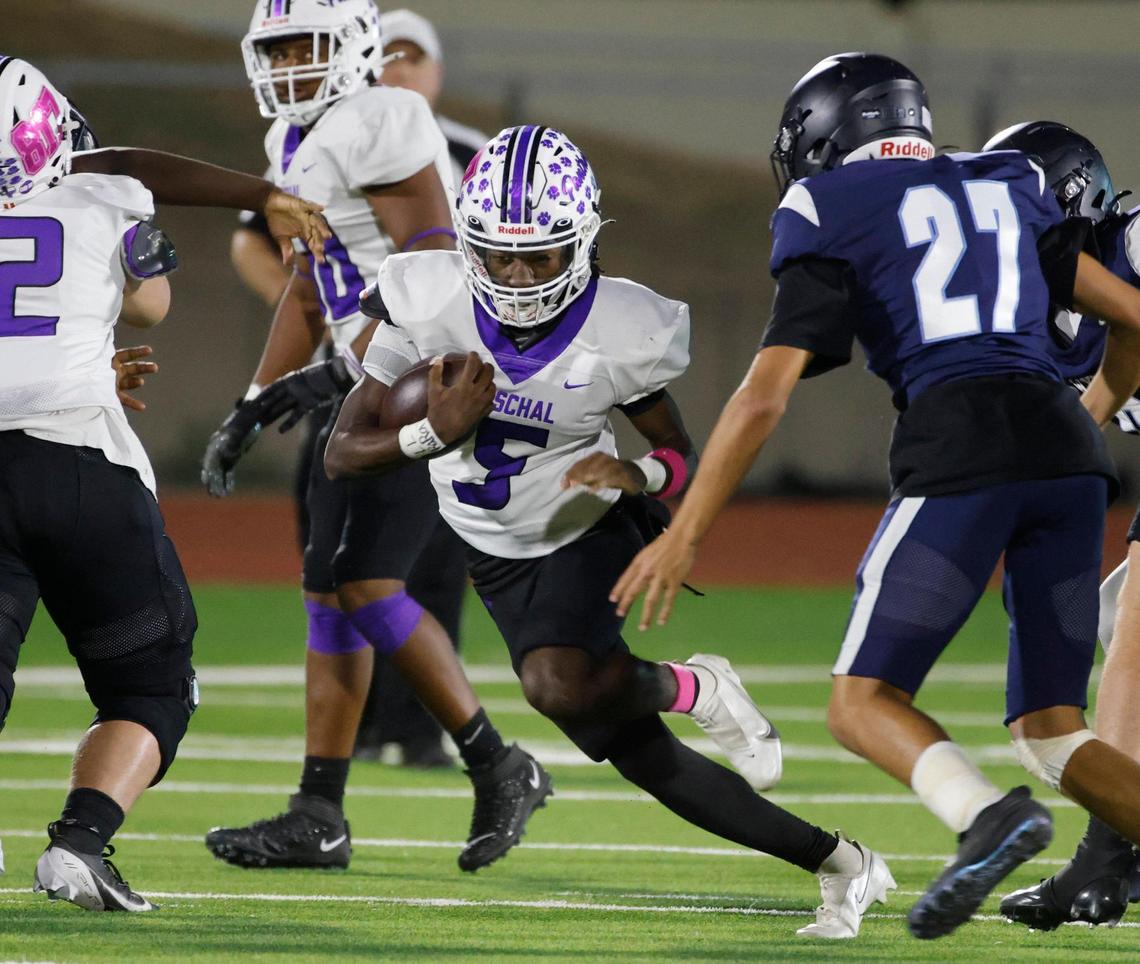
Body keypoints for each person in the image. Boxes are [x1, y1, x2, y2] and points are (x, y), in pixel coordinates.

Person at [310, 123, 894, 941]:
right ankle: (842, 863)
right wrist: (431, 435)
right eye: (499, 255)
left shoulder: (624, 327)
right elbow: (344, 452)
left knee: (555, 683)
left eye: (539, 256)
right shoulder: (424, 297)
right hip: (495, 547)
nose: (516, 276)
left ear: (581, 243)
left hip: (592, 528)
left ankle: (697, 686)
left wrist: (636, 474)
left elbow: (680, 457)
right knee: (647, 762)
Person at [611, 52, 1140, 941]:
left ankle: (984, 818)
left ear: (822, 136)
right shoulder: (1006, 177)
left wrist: (685, 532)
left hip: (961, 445)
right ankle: (1003, 814)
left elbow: (765, 395)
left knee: (860, 703)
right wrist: (1096, 410)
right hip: (1072, 462)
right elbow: (1130, 315)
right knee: (1054, 734)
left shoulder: (824, 205)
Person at [200, 0, 549, 874]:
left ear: (352, 44)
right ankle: (320, 810)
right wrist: (256, 396)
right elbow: (311, 287)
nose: (285, 65)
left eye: (302, 45)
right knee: (329, 592)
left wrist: (353, 371)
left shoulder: (383, 115)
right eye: (273, 49)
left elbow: (430, 250)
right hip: (361, 382)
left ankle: (498, 763)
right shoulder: (295, 140)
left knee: (363, 581)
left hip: (416, 378)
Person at [0, 56, 327, 912]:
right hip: (77, 468)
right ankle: (79, 844)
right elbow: (149, 295)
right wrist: (262, 191)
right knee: (151, 686)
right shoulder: (100, 196)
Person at [979, 122, 1140, 930]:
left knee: (1138, 623)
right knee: (1121, 618)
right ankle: (1110, 861)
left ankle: (1105, 863)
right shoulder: (1035, 316)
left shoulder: (1135, 244)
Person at [345, 7, 490, 768]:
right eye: (386, 55)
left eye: (413, 57)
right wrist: (341, 338)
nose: (399, 69)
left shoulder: (475, 154)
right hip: (352, 375)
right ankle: (359, 728)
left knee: (433, 561)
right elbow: (259, 244)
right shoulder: (325, 142)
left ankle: (419, 725)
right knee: (342, 559)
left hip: (437, 375)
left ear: (434, 73)